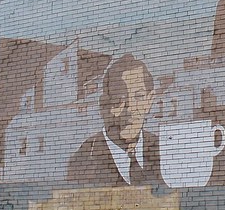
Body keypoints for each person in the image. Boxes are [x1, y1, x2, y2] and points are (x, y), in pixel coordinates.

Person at [66, 54, 162, 186]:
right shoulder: (83, 159)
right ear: (104, 105)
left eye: (139, 96)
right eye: (119, 99)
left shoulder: (163, 149)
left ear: (149, 100)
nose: (130, 108)